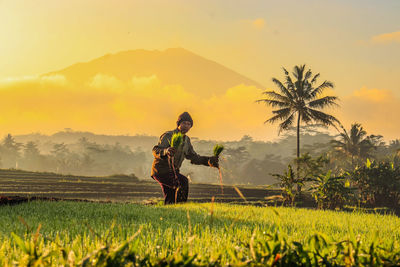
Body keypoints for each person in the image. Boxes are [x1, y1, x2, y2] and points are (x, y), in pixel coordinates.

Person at [151, 112, 219, 204]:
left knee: (170, 196)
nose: (186, 126)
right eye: (184, 123)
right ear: (178, 124)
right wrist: (166, 151)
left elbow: (194, 157)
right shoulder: (168, 135)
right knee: (183, 182)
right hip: (161, 170)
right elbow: (155, 150)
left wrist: (208, 161)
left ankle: (171, 212)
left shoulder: (186, 140)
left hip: (173, 171)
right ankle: (181, 207)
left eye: (189, 124)